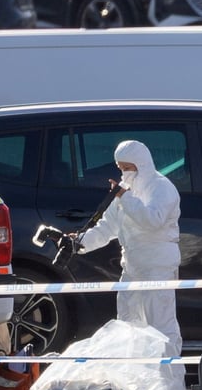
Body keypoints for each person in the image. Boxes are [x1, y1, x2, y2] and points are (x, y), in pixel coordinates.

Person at [72, 139, 183, 357]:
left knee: (161, 326)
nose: (124, 173)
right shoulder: (125, 192)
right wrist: (79, 243)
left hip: (157, 267)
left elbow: (153, 220)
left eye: (128, 168)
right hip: (132, 268)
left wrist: (125, 197)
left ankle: (168, 384)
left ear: (142, 164)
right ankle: (133, 383)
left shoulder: (162, 187)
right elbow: (107, 227)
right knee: (128, 326)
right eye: (120, 168)